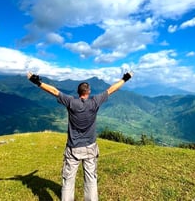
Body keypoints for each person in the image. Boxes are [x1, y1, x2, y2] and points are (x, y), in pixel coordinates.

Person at [27, 71, 133, 201]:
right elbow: (111, 89)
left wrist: (37, 82)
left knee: (68, 181)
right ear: (88, 92)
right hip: (90, 147)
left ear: (78, 92)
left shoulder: (71, 102)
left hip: (73, 148)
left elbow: (54, 91)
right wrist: (125, 79)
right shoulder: (95, 101)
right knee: (91, 180)